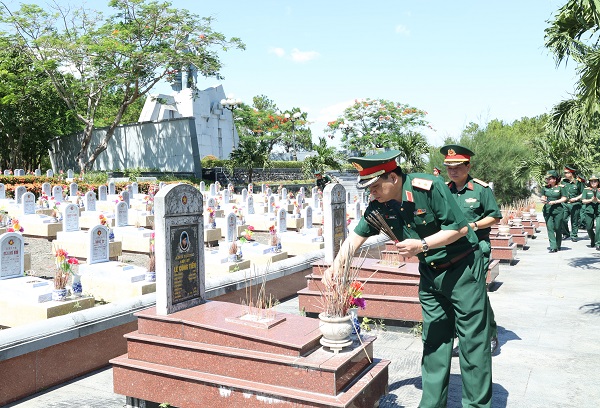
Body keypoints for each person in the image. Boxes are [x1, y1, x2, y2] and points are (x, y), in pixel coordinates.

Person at [324, 150, 492, 408]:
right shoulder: (380, 205)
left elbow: (459, 228)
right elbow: (356, 237)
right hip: (431, 274)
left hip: (463, 269)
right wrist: (336, 266)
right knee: (434, 340)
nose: (372, 193)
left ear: (393, 178)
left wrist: (421, 245)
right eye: (369, 189)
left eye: (375, 186)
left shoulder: (428, 187)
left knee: (472, 342)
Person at [440, 144, 501, 357]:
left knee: (476, 293)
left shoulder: (481, 189)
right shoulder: (444, 190)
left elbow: (494, 216)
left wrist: (473, 226)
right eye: (449, 167)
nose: (453, 171)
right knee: (456, 295)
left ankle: (490, 335)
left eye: (457, 166)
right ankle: (464, 338)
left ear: (468, 166)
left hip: (476, 249)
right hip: (450, 251)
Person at [541, 170, 567, 253]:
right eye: (547, 179)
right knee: (550, 228)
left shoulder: (561, 188)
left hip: (558, 210)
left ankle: (558, 245)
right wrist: (543, 199)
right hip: (547, 210)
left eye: (549, 179)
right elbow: (543, 196)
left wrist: (555, 202)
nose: (548, 180)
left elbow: (564, 198)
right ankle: (553, 246)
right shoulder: (545, 187)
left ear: (555, 179)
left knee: (557, 227)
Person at [561, 165, 583, 241]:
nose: (565, 174)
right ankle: (566, 233)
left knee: (574, 221)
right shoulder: (563, 182)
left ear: (571, 173)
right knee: (563, 219)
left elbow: (583, 193)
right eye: (564, 173)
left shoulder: (578, 182)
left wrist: (576, 198)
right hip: (565, 204)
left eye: (566, 173)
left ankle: (574, 235)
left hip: (575, 204)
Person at [581, 175, 600, 249]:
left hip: (599, 210)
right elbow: (583, 200)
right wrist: (590, 200)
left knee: (598, 227)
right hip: (589, 210)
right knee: (589, 227)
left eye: (595, 181)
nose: (593, 182)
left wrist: (598, 201)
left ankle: (598, 243)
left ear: (598, 182)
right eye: (591, 181)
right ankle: (593, 239)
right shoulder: (586, 190)